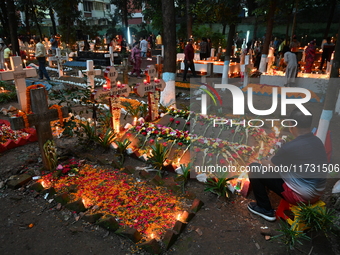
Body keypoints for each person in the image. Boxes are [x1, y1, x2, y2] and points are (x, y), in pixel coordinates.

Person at [248, 108, 328, 222]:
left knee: (254, 168)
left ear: (291, 124)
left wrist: (263, 159)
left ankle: (264, 209)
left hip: (301, 197)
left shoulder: (291, 147)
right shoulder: (317, 141)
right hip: (318, 192)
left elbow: (269, 166)